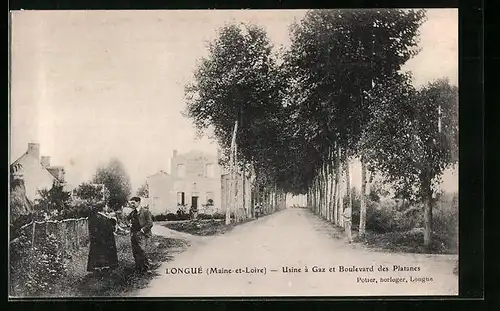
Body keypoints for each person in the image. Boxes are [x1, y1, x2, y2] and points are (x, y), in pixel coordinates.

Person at [87, 201, 119, 274]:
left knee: (98, 253)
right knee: (103, 253)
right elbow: (108, 228)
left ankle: (98, 268)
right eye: (106, 206)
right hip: (104, 239)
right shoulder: (102, 217)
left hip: (98, 239)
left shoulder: (96, 216)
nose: (107, 207)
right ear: (103, 208)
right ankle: (104, 268)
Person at [126, 197, 153, 273]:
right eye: (131, 203)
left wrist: (142, 230)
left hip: (142, 234)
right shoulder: (133, 212)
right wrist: (129, 224)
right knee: (135, 251)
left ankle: (146, 268)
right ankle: (138, 268)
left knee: (142, 251)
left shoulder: (145, 211)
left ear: (138, 202)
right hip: (133, 234)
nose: (132, 205)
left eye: (133, 203)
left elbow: (150, 223)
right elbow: (126, 218)